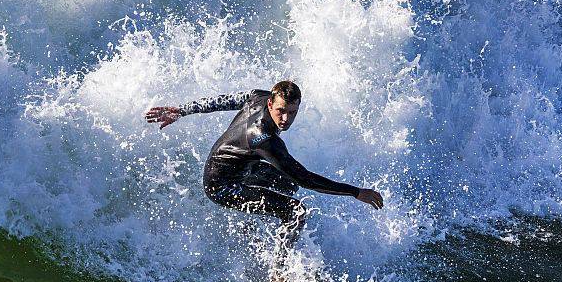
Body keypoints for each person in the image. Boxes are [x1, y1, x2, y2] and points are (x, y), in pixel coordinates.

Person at [144, 81, 383, 265]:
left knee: (289, 187)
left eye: (292, 112)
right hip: (222, 184)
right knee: (296, 210)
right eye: (281, 111)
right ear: (270, 104)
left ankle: (263, 224)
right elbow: (306, 177)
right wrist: (355, 192)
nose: (286, 119)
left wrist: (182, 110)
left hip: (243, 164)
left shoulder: (258, 96)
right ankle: (278, 270)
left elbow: (223, 101)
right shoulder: (263, 140)